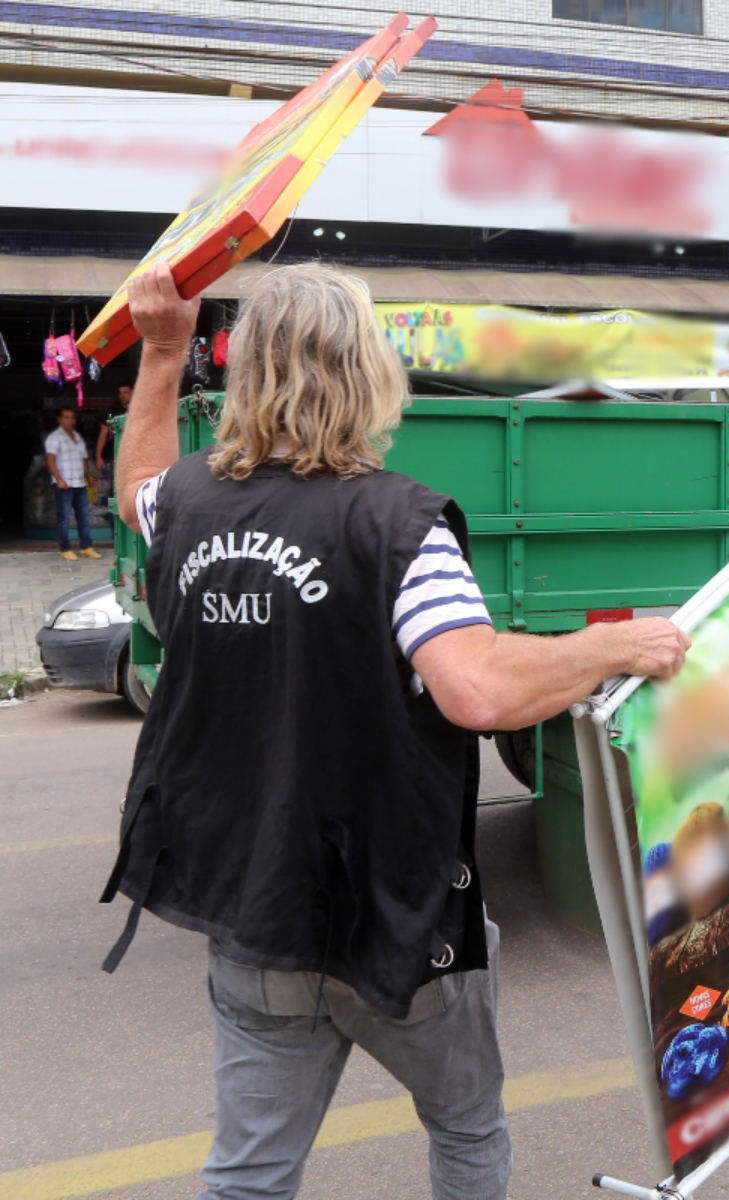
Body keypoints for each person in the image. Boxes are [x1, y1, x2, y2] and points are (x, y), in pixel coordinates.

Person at [102, 262, 689, 1200]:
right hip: (393, 923)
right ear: (366, 372)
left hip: (248, 910)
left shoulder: (184, 504)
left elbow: (133, 481)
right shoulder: (401, 526)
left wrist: (164, 351)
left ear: (248, 373)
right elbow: (477, 689)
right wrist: (612, 644)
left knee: (248, 1174)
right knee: (465, 1131)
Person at [44, 405, 101, 561]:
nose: (70, 420)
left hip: (79, 484)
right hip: (64, 485)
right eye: (66, 417)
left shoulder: (77, 437)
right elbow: (50, 461)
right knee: (63, 519)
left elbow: (82, 459)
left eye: (72, 417)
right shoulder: (54, 438)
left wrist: (89, 475)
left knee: (84, 517)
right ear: (60, 420)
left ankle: (86, 547)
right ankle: (65, 549)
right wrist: (59, 480)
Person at [94, 383, 133, 472]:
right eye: (120, 393)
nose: (122, 396)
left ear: (133, 392)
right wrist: (98, 456)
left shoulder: (139, 409)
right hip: (117, 455)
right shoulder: (112, 411)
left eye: (125, 392)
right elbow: (103, 434)